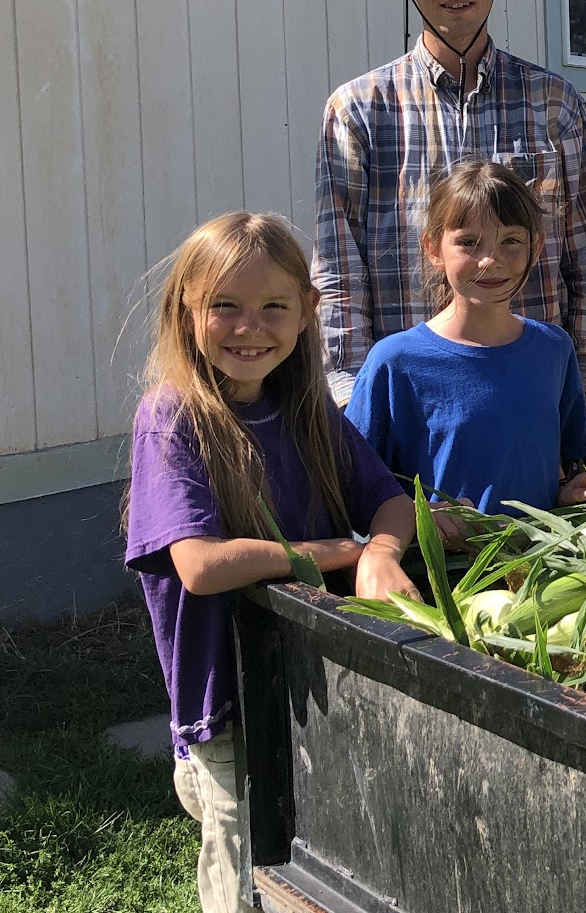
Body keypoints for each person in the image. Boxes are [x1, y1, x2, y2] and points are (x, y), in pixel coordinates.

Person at [123, 213, 420, 913]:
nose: (249, 327)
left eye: (273, 307)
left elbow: (391, 501)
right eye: (224, 305)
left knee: (309, 849)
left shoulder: (308, 408)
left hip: (310, 680)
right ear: (186, 310)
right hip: (225, 697)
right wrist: (338, 551)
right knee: (242, 846)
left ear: (308, 311)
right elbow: (199, 564)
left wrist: (382, 549)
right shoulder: (172, 418)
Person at [315, 0, 586, 474]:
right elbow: (338, 273)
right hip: (408, 412)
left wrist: (581, 398)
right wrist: (355, 403)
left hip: (532, 408)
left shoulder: (555, 105)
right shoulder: (359, 110)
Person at [346, 160, 586, 512]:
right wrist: (415, 519)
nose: (490, 260)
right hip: (441, 567)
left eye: (511, 240)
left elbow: (556, 469)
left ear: (537, 247)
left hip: (541, 562)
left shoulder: (554, 350)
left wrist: (572, 492)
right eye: (469, 242)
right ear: (434, 249)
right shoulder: (394, 362)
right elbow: (353, 489)